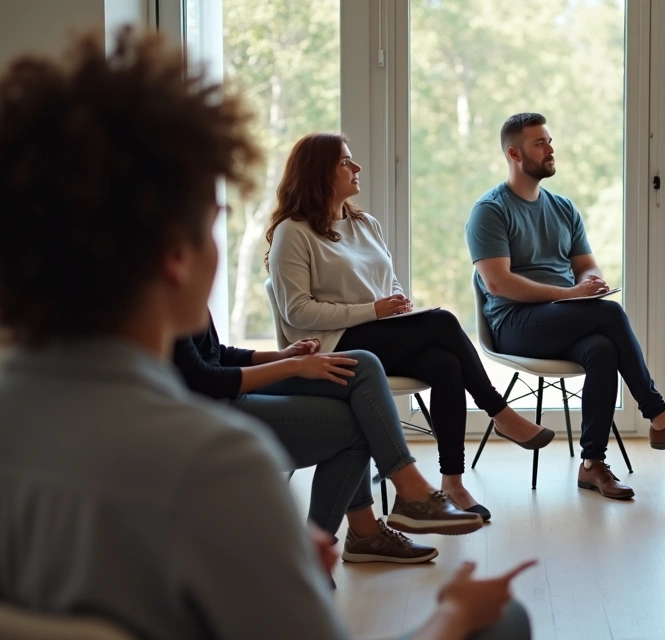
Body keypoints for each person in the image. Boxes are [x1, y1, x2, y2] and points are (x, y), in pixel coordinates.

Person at [0, 27, 533, 640]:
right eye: (213, 223)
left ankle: (373, 523)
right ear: (175, 255)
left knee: (362, 393)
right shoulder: (218, 466)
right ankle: (396, 506)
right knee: (504, 620)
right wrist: (455, 615)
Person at [267, 133, 554, 522]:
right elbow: (297, 312)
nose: (357, 167)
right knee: (443, 321)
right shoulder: (293, 232)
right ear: (318, 172)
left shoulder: (364, 223)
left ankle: (452, 482)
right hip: (333, 347)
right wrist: (374, 310)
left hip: (376, 334)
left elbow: (390, 283)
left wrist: (397, 308)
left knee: (444, 364)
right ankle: (499, 411)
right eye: (345, 162)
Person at [466, 112, 665, 500]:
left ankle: (592, 464)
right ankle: (660, 418)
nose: (550, 149)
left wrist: (590, 283)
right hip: (514, 324)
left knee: (602, 349)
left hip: (561, 319)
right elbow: (498, 283)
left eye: (550, 141)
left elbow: (586, 265)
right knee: (610, 313)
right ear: (514, 154)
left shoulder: (563, 207)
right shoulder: (490, 210)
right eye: (540, 143)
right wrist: (571, 296)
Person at [173, 315, 486, 565]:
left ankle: (384, 514)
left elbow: (216, 355)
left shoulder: (182, 282)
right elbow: (200, 382)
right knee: (354, 424)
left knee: (361, 364)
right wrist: (293, 366)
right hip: (209, 411)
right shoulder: (163, 291)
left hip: (225, 391)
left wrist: (281, 355)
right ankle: (321, 554)